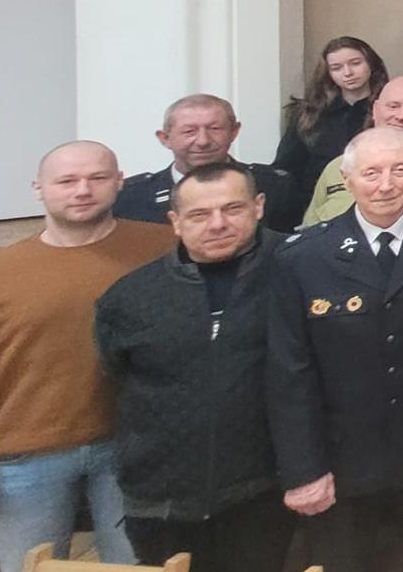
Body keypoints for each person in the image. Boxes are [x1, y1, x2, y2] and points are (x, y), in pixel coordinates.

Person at [266, 127, 403, 572]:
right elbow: (290, 373)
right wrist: (303, 469)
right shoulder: (304, 256)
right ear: (347, 181)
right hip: (345, 461)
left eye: (399, 170)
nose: (386, 184)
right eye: (371, 173)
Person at [0, 142, 176, 569]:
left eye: (97, 178)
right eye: (66, 181)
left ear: (120, 181)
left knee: (134, 565)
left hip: (134, 447)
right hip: (23, 458)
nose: (82, 190)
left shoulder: (166, 248)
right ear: (38, 188)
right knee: (28, 567)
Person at [94, 162, 293, 571]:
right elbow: (115, 375)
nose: (217, 224)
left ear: (258, 207)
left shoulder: (300, 272)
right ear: (175, 222)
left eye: (232, 209)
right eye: (199, 215)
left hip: (265, 494)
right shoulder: (131, 297)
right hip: (162, 502)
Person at [115, 93, 302, 232]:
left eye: (214, 128)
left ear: (234, 132)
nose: (203, 141)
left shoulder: (274, 186)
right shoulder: (133, 196)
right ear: (165, 138)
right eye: (189, 131)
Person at [301, 76, 403, 226]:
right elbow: (311, 230)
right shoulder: (339, 166)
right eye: (393, 106)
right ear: (375, 109)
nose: (401, 116)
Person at [273, 36, 388, 200]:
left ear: (372, 65)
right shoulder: (308, 113)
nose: (347, 73)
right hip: (317, 201)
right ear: (328, 73)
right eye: (337, 67)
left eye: (355, 63)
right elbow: (286, 168)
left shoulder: (390, 110)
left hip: (375, 196)